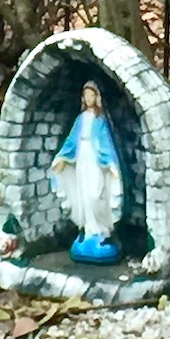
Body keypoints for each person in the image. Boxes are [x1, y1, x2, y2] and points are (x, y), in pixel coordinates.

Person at [50, 80, 123, 262]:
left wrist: (111, 164)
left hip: (95, 160)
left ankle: (102, 229)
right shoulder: (80, 119)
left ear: (96, 97)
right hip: (82, 158)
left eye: (92, 95)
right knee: (84, 195)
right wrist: (61, 158)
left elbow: (106, 143)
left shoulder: (100, 120)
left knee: (96, 194)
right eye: (86, 95)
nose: (89, 98)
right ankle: (89, 229)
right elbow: (71, 141)